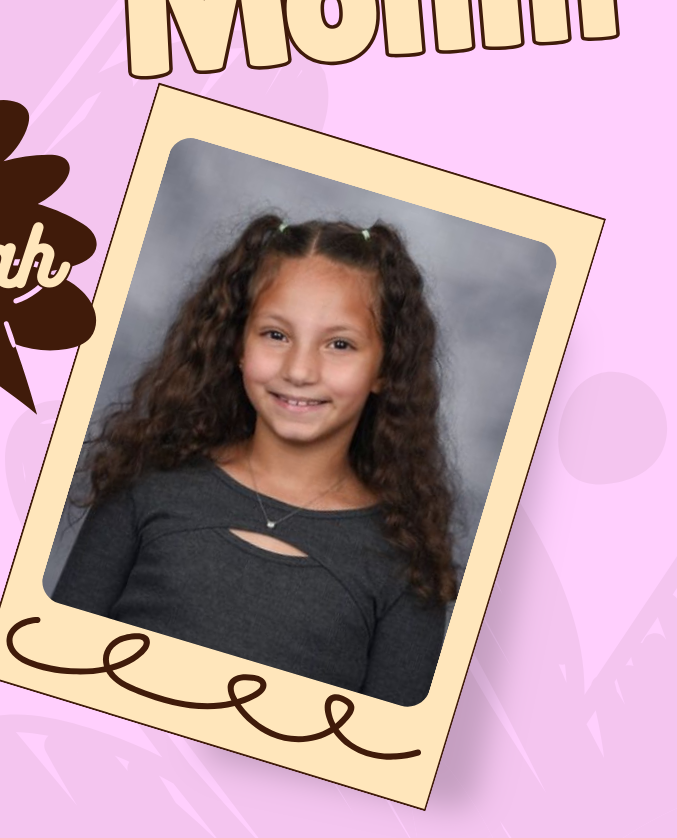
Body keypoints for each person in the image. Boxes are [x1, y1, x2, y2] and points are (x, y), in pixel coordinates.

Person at [52, 215, 458, 706]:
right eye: (275, 335)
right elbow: (53, 671)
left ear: (385, 369)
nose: (300, 370)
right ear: (237, 344)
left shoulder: (403, 567)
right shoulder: (147, 488)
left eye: (340, 344)